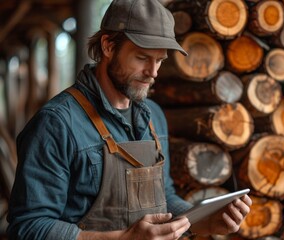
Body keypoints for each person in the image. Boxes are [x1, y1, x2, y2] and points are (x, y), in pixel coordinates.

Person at [7, 0, 252, 239]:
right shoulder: (56, 123)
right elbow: (28, 227)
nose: (153, 72)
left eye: (160, 60)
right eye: (142, 57)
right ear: (108, 46)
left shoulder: (154, 116)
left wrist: (200, 222)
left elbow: (164, 197)